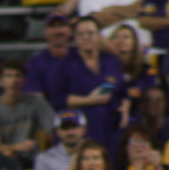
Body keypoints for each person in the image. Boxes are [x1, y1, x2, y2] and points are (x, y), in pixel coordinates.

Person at [55, 16, 128, 156]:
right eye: (80, 34)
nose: (85, 38)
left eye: (90, 33)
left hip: (112, 126)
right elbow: (58, 99)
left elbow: (122, 90)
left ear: (99, 36)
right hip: (83, 126)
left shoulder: (111, 61)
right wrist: (90, 100)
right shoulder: (65, 64)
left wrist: (126, 106)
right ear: (74, 38)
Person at [0, 62, 55, 168]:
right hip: (1, 161)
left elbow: (52, 131)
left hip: (32, 159)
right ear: (1, 81)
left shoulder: (35, 102)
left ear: (24, 80)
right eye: (8, 76)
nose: (13, 81)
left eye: (17, 76)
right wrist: (16, 147)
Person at [25, 13, 73, 110]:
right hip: (51, 116)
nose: (57, 31)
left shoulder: (80, 57)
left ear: (70, 30)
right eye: (52, 26)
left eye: (61, 26)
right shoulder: (36, 63)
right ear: (45, 32)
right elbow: (36, 101)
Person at [110, 23, 157, 115]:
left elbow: (151, 91)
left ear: (134, 43)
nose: (120, 41)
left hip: (140, 114)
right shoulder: (106, 67)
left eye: (126, 37)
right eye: (116, 37)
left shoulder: (146, 69)